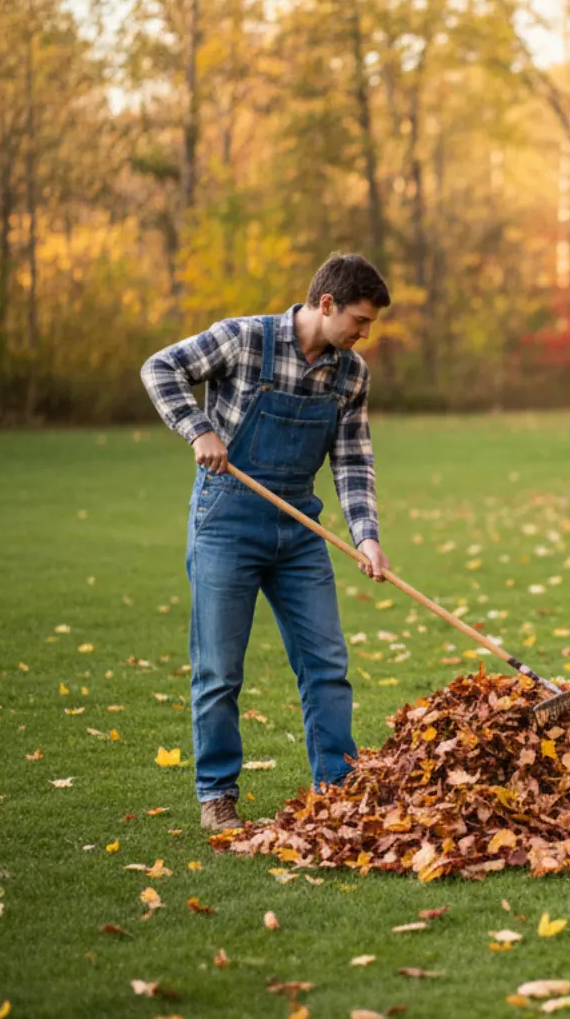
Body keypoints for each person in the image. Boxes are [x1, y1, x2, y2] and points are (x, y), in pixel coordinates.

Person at [140, 253, 392, 830]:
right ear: (325, 304)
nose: (364, 334)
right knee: (220, 670)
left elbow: (352, 458)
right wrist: (197, 428)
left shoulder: (350, 373)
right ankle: (217, 796)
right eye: (359, 320)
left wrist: (367, 535)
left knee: (327, 664)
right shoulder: (244, 338)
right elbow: (160, 368)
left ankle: (337, 790)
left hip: (299, 529)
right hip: (226, 521)